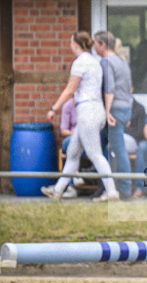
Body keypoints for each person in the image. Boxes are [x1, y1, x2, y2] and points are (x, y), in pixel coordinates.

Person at [44, 31, 119, 202]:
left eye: (71, 42)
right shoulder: (95, 62)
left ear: (75, 45)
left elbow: (70, 89)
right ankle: (58, 190)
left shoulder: (79, 63)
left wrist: (54, 108)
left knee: (95, 154)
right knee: (72, 153)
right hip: (96, 110)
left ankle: (112, 191)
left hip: (87, 111)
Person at [94, 30, 134, 199]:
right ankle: (107, 187)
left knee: (118, 149)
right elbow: (129, 87)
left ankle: (124, 190)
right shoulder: (122, 61)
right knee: (105, 147)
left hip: (115, 110)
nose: (94, 47)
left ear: (103, 45)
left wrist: (107, 111)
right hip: (126, 108)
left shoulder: (106, 62)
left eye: (95, 43)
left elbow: (109, 89)